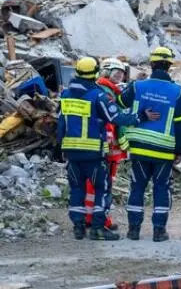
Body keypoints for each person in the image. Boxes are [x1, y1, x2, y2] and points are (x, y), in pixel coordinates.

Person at [57, 57, 152, 241]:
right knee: (102, 188)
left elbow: (61, 123)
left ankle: (78, 227)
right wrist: (140, 117)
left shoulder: (66, 95)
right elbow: (115, 117)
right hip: (93, 153)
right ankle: (98, 228)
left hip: (71, 152)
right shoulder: (98, 95)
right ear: (95, 73)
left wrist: (61, 146)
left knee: (77, 189)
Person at [117, 47, 181, 242]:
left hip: (139, 148)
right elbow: (180, 123)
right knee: (162, 188)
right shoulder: (177, 91)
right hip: (164, 151)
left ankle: (133, 230)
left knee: (137, 187)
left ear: (152, 64)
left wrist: (137, 116)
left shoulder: (137, 86)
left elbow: (119, 104)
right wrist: (179, 150)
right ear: (169, 66)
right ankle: (158, 231)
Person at [84, 58, 129, 232]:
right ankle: (103, 220)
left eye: (122, 72)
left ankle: (90, 216)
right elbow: (111, 121)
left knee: (93, 182)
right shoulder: (106, 92)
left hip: (100, 145)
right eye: (116, 71)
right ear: (105, 72)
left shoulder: (105, 90)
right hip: (107, 147)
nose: (120, 75)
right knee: (105, 184)